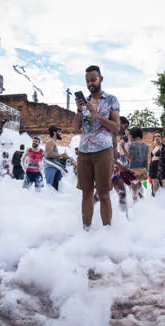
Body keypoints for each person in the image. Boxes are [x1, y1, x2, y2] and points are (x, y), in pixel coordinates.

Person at [72, 65, 120, 230]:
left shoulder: (111, 100)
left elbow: (116, 127)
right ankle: (86, 230)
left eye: (93, 79)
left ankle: (107, 231)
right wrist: (80, 111)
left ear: (101, 79)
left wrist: (97, 115)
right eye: (87, 81)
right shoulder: (84, 102)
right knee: (86, 193)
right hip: (84, 151)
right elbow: (74, 129)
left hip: (103, 151)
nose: (90, 83)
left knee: (103, 193)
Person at [127, 127, 149, 202]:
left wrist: (122, 148)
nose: (129, 137)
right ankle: (143, 206)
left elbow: (130, 158)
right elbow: (146, 159)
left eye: (129, 135)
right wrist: (146, 170)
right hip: (143, 170)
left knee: (134, 192)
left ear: (133, 135)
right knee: (140, 190)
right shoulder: (145, 145)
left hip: (134, 170)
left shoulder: (132, 145)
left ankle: (136, 209)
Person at [45, 126, 68, 191]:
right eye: (59, 132)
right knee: (52, 190)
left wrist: (61, 158)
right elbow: (49, 155)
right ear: (54, 132)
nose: (61, 133)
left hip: (55, 168)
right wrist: (61, 155)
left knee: (56, 190)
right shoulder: (50, 141)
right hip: (51, 169)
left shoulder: (53, 142)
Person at [149, 132, 165, 196]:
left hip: (161, 166)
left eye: (158, 136)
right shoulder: (154, 147)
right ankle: (155, 199)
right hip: (153, 166)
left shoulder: (164, 147)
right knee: (154, 184)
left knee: (163, 184)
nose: (157, 138)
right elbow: (152, 157)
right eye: (155, 136)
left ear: (161, 138)